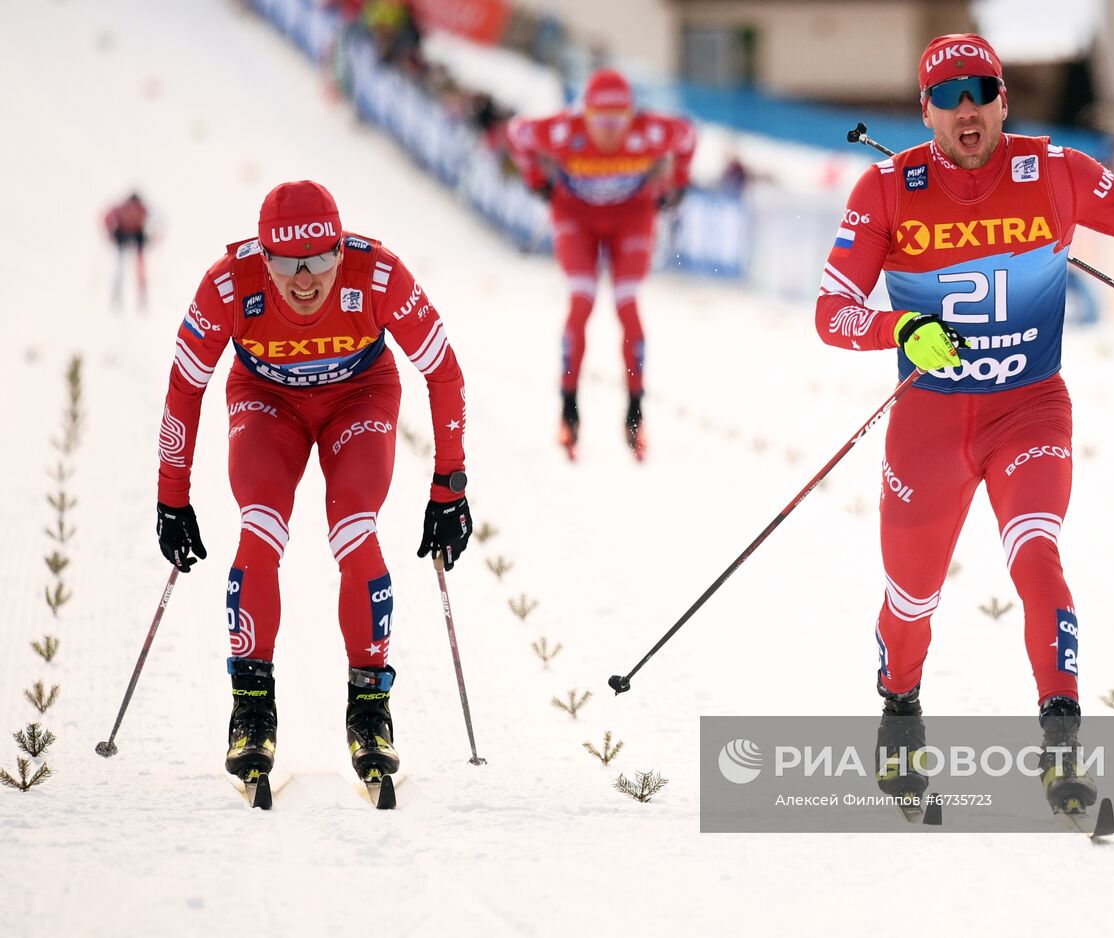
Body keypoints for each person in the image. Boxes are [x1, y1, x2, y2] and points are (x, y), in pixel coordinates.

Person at [814, 34, 1114, 813]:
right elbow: (831, 311)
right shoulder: (886, 189)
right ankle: (900, 713)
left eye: (982, 90)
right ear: (925, 111)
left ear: (1005, 99)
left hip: (1028, 408)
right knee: (911, 603)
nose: (967, 109)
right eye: (948, 97)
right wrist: (899, 330)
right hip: (929, 422)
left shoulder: (1055, 173)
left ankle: (1061, 754)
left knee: (1037, 557)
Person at [153, 180, 473, 786]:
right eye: (288, 264)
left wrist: (449, 487)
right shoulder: (228, 283)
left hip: (360, 396)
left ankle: (370, 708)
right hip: (266, 399)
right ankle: (251, 707)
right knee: (261, 527)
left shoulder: (378, 276)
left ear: (340, 249)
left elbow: (445, 373)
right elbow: (184, 389)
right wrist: (172, 497)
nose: (306, 280)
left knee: (355, 528)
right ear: (262, 255)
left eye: (322, 260)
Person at [506, 68, 696, 461]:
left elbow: (689, 137)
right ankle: (568, 411)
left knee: (627, 304)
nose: (610, 131)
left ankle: (635, 413)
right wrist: (535, 180)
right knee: (582, 302)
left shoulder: (651, 132)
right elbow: (517, 134)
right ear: (584, 114)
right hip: (576, 217)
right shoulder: (563, 131)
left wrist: (677, 183)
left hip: (631, 217)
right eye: (600, 121)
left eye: (618, 121)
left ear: (632, 116)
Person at [104, 192, 150, 309]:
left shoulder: (136, 209)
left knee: (136, 265)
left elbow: (107, 217)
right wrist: (111, 232)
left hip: (133, 235)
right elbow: (107, 217)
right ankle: (119, 292)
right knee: (123, 266)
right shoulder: (136, 209)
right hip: (124, 234)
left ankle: (140, 292)